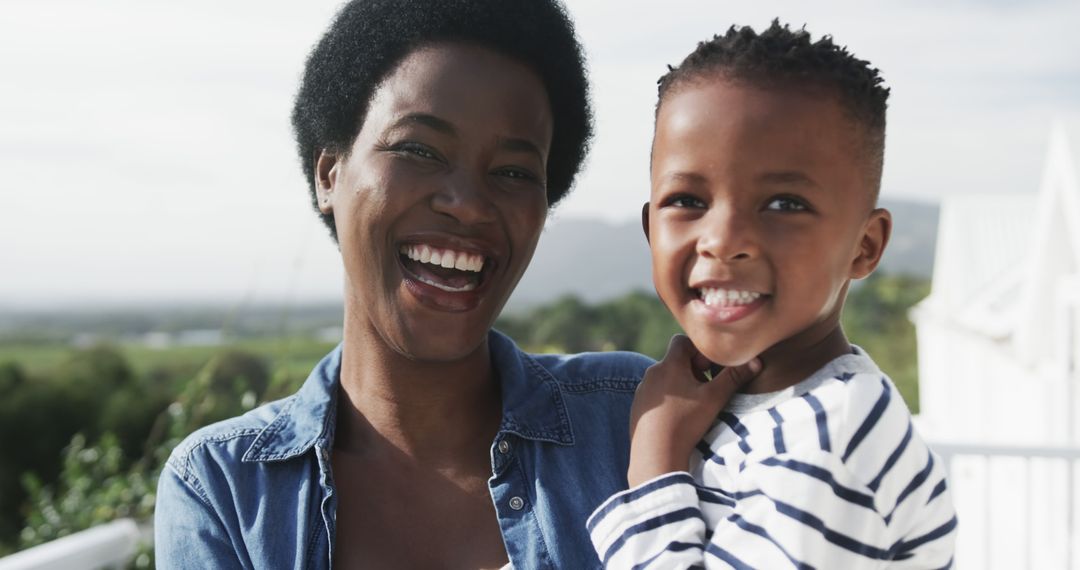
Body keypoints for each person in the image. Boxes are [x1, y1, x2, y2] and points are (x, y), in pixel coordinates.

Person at [152, 0, 663, 567]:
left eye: (514, 172)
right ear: (330, 173)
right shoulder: (224, 490)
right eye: (418, 149)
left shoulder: (634, 420)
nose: (468, 205)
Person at [587, 21, 958, 568]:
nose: (723, 241)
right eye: (687, 200)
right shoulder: (759, 410)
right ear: (650, 230)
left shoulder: (828, 444)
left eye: (784, 204)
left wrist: (655, 462)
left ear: (865, 245)